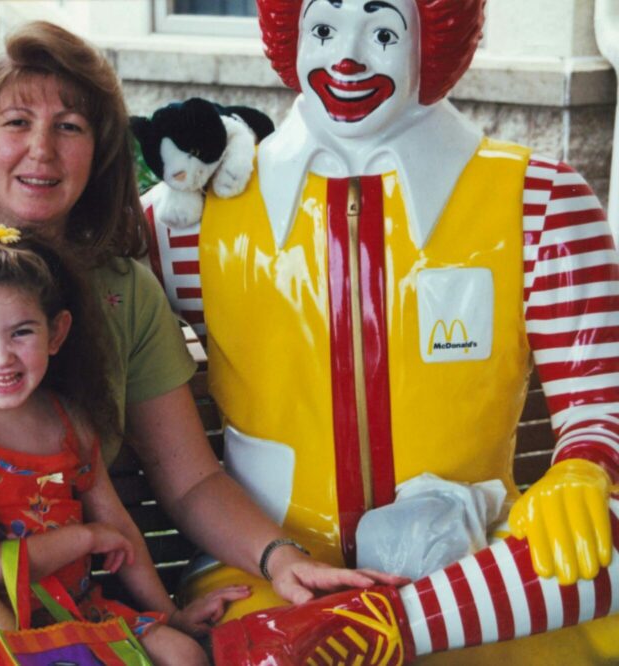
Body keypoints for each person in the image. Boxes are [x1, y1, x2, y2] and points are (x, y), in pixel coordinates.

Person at [0, 21, 401, 666]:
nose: (43, 151)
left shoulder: (124, 291)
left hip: (62, 590)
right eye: (17, 122)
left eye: (70, 127)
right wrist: (6, 646)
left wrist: (280, 559)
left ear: (100, 149)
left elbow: (189, 479)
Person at [144, 0, 619, 663]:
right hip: (265, 579)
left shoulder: (541, 203)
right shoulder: (184, 225)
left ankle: (385, 627)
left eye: (383, 31)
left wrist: (583, 474)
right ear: (291, 36)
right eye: (326, 29)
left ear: (435, 42)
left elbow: (599, 408)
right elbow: (56, 315)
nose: (347, 57)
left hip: (475, 579)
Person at [0, 224, 242, 664]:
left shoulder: (71, 422)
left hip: (73, 612)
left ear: (56, 333)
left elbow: (118, 529)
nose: (1, 356)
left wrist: (170, 615)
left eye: (21, 332)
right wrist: (83, 541)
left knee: (184, 656)